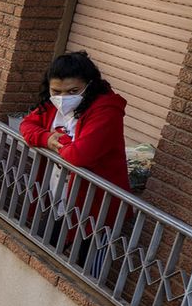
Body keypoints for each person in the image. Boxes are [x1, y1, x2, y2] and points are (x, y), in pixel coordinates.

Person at [19, 51, 131, 273]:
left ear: (89, 85)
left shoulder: (106, 111)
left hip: (96, 206)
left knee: (88, 271)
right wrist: (46, 138)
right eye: (56, 91)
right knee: (39, 252)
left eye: (72, 91)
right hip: (61, 198)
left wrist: (56, 141)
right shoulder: (52, 105)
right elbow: (27, 125)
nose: (63, 97)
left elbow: (80, 154)